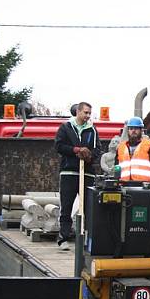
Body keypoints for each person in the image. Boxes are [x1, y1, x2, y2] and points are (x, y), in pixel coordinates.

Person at [54, 101, 101, 250]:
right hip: (69, 171)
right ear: (78, 112)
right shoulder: (66, 128)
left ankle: (87, 237)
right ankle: (63, 238)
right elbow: (59, 146)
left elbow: (97, 150)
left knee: (88, 206)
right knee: (66, 206)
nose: (88, 116)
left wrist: (89, 156)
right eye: (85, 112)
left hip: (87, 173)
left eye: (89, 113)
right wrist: (75, 150)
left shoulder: (92, 130)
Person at [114, 117, 150, 182]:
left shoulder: (149, 145)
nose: (133, 131)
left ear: (141, 130)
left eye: (136, 128)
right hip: (124, 186)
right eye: (131, 128)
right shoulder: (120, 147)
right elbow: (116, 167)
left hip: (144, 187)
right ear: (128, 130)